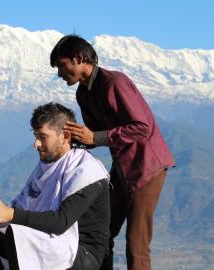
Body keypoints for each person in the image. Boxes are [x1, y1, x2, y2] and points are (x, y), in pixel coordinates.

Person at [50, 35, 175, 270]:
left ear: (78, 58)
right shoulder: (83, 94)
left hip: (146, 168)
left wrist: (94, 137)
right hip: (122, 169)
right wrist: (70, 139)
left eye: (61, 65)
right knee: (101, 233)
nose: (59, 74)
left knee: (136, 244)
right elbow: (93, 135)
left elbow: (142, 127)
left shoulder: (114, 83)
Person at [0, 102, 110, 270]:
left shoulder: (87, 170)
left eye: (43, 137)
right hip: (49, 241)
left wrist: (10, 214)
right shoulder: (46, 167)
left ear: (65, 136)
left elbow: (61, 221)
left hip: (81, 253)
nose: (36, 144)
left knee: (19, 237)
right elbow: (21, 210)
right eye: (35, 136)